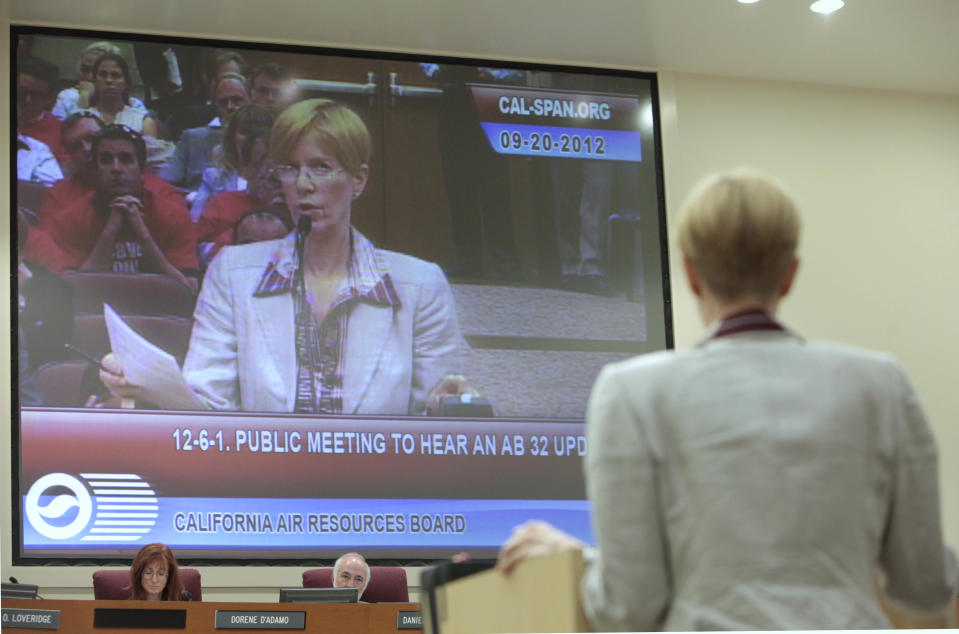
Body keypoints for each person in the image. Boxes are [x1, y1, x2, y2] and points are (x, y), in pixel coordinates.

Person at [496, 168, 958, 630]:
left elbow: (629, 609)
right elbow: (924, 589)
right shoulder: (882, 383)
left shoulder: (631, 392)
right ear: (789, 275)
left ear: (692, 273)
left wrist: (582, 562)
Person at [102, 99, 470, 415]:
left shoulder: (422, 286)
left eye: (321, 167)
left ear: (358, 180)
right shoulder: (232, 273)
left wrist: (454, 407)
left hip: (379, 490)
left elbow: (434, 421)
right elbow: (209, 406)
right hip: (263, 487)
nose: (304, 185)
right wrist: (147, 388)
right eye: (290, 169)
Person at [24, 124, 197, 287]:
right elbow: (73, 293)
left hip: (156, 312)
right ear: (95, 169)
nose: (116, 168)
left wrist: (143, 235)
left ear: (142, 168)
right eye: (106, 160)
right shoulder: (72, 219)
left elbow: (188, 291)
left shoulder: (172, 215)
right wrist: (110, 231)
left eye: (126, 159)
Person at [159, 72, 251, 195]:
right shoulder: (192, 139)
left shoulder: (265, 140)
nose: (230, 107)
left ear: (251, 101)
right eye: (223, 102)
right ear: (215, 106)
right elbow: (162, 183)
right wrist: (193, 198)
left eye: (237, 100)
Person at [190, 104, 275, 222]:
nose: (253, 140)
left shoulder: (279, 182)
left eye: (259, 133)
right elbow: (195, 220)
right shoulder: (213, 177)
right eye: (245, 132)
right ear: (232, 137)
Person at [52, 41, 148, 120]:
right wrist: (84, 99)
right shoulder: (67, 97)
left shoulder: (134, 104)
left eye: (99, 72)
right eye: (85, 69)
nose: (90, 77)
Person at [84, 53, 158, 136]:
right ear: (94, 80)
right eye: (103, 74)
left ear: (126, 83)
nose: (109, 80)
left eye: (116, 75)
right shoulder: (83, 120)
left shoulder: (142, 121)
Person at [17, 55, 68, 163]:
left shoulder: (61, 131)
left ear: (50, 98)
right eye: (22, 91)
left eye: (36, 95)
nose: (27, 99)